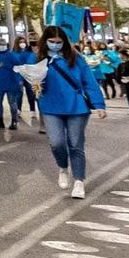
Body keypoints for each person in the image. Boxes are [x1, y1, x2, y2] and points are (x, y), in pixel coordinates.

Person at [35, 25, 107, 200]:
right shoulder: (37, 59)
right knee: (56, 143)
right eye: (51, 42)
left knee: (75, 144)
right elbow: (27, 78)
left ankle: (79, 181)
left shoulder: (76, 58)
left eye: (59, 42)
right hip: (51, 107)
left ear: (65, 42)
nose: (55, 45)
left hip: (77, 107)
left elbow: (89, 82)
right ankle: (62, 167)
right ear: (45, 41)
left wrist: (99, 104)